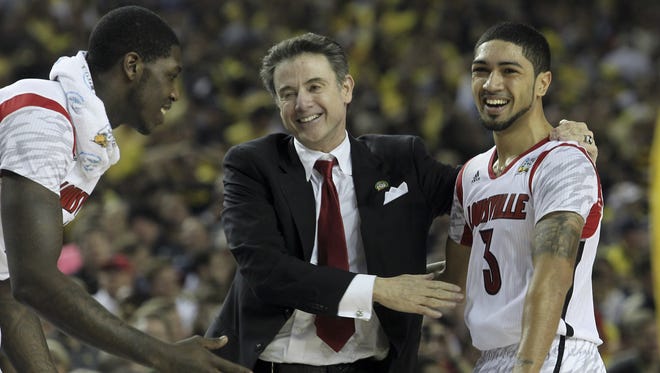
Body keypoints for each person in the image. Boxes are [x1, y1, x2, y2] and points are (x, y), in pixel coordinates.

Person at [205, 32, 598, 372]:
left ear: (346, 89)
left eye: (314, 86)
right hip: (275, 363)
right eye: (287, 94)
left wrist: (559, 142)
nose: (302, 103)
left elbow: (492, 184)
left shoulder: (401, 160)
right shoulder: (252, 165)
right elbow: (267, 271)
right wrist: (379, 288)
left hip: (374, 365)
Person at [0, 5, 249, 373]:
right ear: (132, 66)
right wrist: (163, 354)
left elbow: (8, 290)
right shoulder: (45, 117)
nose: (175, 94)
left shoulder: (83, 137)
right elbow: (34, 281)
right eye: (170, 76)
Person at [440, 22, 605, 372]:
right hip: (492, 357)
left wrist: (526, 367)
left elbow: (553, 276)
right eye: (480, 71)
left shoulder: (563, 160)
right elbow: (454, 283)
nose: (491, 84)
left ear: (543, 82)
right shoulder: (469, 174)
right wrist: (372, 287)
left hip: (552, 351)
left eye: (509, 71)